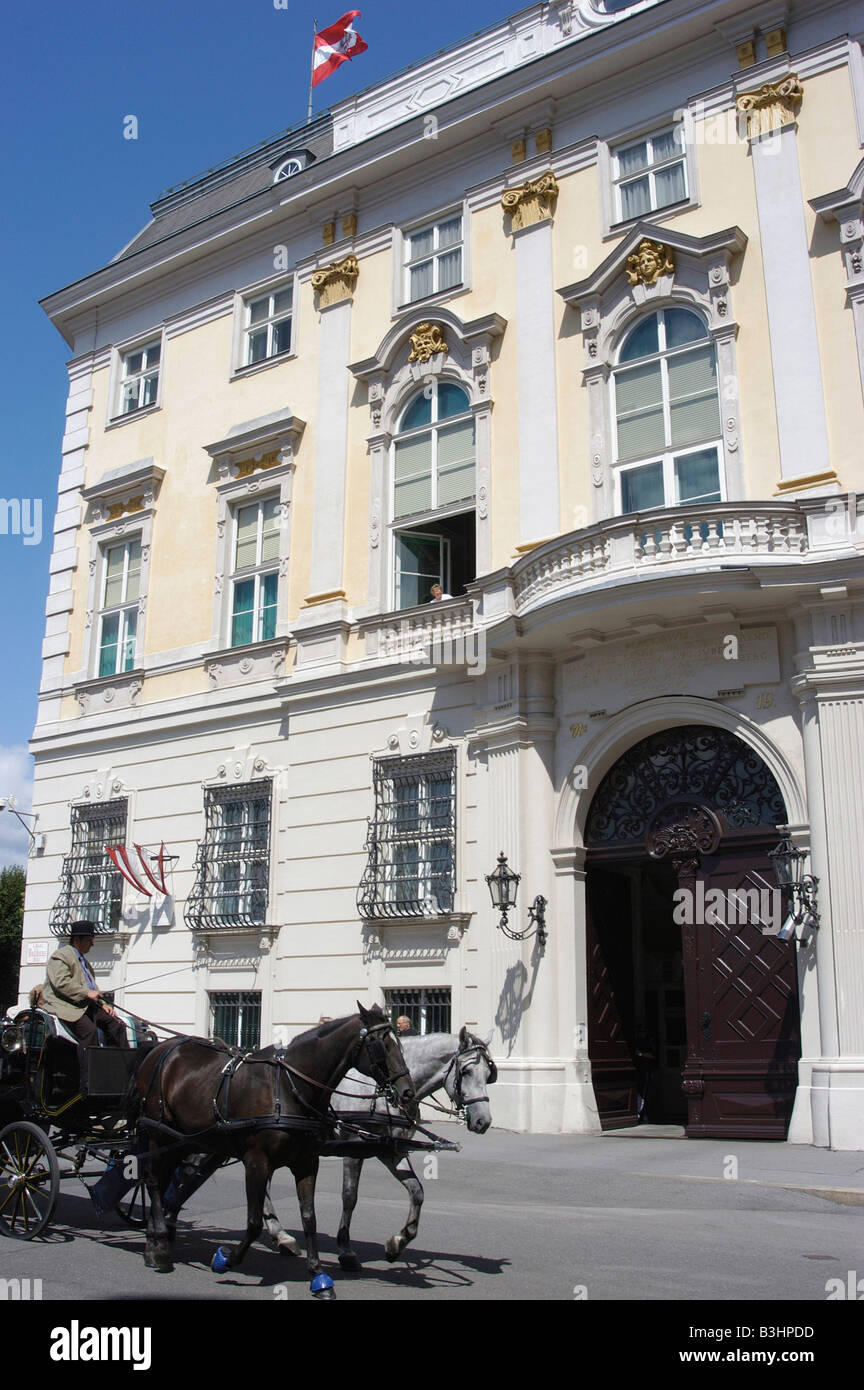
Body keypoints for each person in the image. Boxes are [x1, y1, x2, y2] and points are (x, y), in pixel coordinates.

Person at [42, 922, 126, 1087]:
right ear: (77, 939)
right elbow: (61, 982)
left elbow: (92, 988)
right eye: (90, 939)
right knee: (89, 1031)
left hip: (84, 1004)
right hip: (64, 1005)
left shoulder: (84, 963)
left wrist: (103, 1004)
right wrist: (86, 993)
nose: (92, 943)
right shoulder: (61, 956)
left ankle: (125, 1071)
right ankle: (88, 1080)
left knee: (117, 1024)